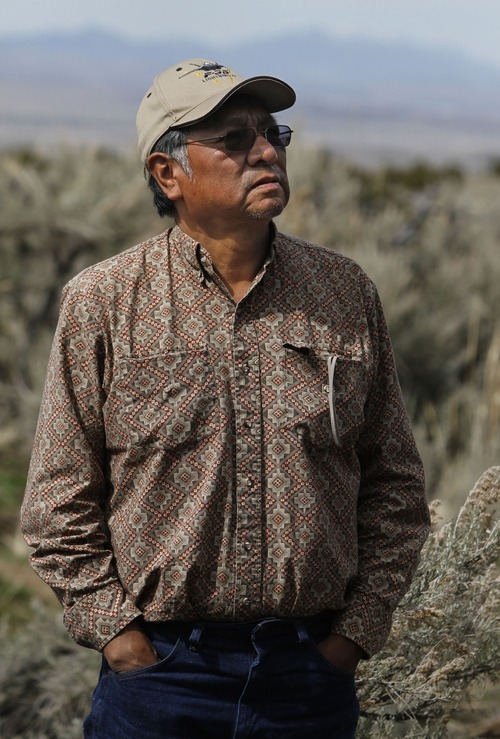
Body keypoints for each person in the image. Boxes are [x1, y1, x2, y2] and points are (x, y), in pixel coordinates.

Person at [21, 58, 430, 738]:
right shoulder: (105, 301)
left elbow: (394, 484)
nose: (267, 151)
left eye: (273, 134)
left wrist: (352, 638)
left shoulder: (344, 292)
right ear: (167, 173)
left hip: (309, 680)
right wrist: (122, 640)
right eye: (236, 140)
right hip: (161, 678)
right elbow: (58, 500)